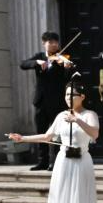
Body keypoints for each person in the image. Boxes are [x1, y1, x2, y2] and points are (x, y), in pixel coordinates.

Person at [8, 78, 99, 203]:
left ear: (82, 96)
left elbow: (95, 133)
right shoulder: (60, 116)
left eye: (72, 95)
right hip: (64, 162)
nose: (68, 98)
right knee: (65, 202)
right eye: (66, 95)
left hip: (81, 161)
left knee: (79, 202)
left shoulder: (90, 114)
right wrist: (23, 138)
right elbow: (48, 136)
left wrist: (77, 121)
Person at [19, 31, 75, 171]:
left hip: (57, 102)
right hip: (41, 101)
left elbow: (69, 77)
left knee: (56, 134)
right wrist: (36, 62)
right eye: (50, 42)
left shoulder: (63, 58)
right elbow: (23, 64)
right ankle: (42, 161)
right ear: (44, 43)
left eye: (56, 42)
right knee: (41, 131)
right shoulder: (39, 57)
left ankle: (55, 161)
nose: (54, 44)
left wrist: (68, 67)